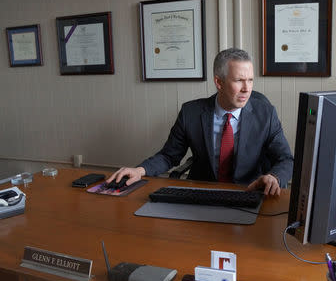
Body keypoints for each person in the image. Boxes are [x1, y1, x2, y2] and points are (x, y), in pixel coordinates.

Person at [107, 48, 293, 196]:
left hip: (249, 192)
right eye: (239, 80)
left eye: (250, 80)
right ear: (219, 82)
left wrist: (273, 177)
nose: (247, 89)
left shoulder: (265, 114)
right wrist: (140, 170)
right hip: (203, 193)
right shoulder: (191, 113)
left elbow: (285, 159)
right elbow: (169, 156)